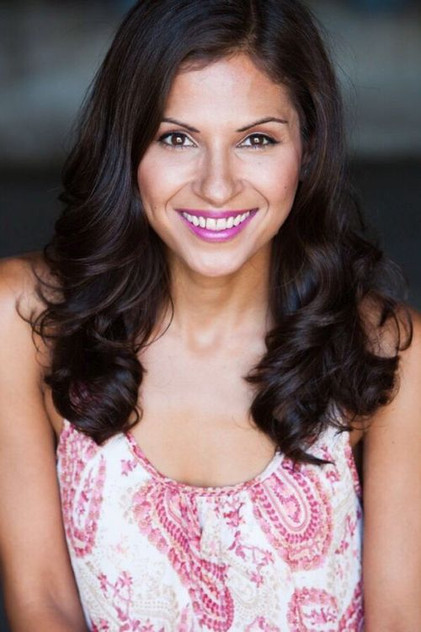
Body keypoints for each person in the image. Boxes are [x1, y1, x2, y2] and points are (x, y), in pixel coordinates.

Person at [0, 0, 420, 629]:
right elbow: (42, 604)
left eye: (257, 139)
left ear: (307, 148)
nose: (217, 186)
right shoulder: (22, 317)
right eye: (177, 138)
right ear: (127, 146)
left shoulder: (388, 350)